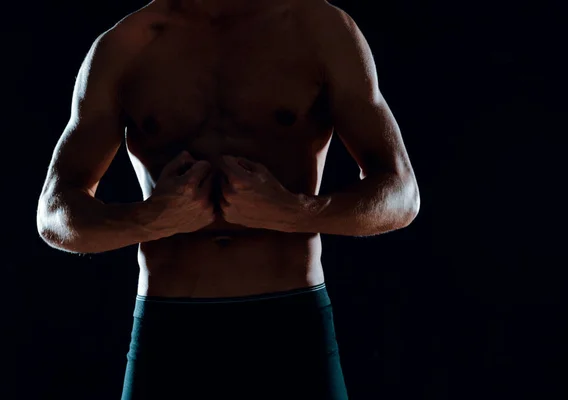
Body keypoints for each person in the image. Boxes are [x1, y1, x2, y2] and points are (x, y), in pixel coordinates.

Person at [36, 0, 420, 398]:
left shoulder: (319, 30)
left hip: (290, 327)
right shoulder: (126, 46)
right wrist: (148, 220)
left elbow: (401, 194)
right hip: (170, 331)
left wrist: (293, 213)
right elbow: (54, 212)